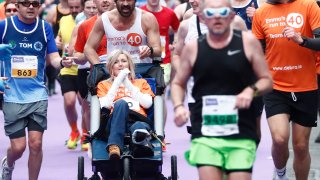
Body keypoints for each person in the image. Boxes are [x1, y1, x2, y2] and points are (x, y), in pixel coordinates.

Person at [171, 0, 273, 179]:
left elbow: (266, 81)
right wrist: (179, 106)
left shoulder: (248, 42)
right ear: (203, 17)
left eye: (223, 13)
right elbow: (178, 83)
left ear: (232, 16)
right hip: (206, 130)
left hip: (240, 128)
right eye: (211, 14)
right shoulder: (193, 48)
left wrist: (251, 91)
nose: (217, 18)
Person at [0, 0, 74, 179]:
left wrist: (62, 62)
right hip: (11, 94)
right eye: (26, 3)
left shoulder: (44, 27)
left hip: (37, 94)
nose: (31, 7)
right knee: (18, 148)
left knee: (36, 144)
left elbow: (54, 57)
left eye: (34, 3)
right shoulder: (4, 26)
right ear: (17, 6)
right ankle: (8, 163)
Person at [252, 0, 320, 179]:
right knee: (280, 138)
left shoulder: (309, 5)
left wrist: (302, 40)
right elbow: (257, 52)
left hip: (306, 87)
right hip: (275, 88)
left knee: (301, 146)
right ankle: (281, 175)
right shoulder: (261, 12)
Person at [97, 49, 155, 159]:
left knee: (140, 127)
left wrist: (127, 83)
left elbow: (147, 104)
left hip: (137, 119)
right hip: (113, 122)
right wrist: (118, 81)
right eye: (116, 62)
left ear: (129, 65)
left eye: (123, 61)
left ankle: (140, 145)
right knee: (121, 103)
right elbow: (105, 106)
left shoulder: (141, 82)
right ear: (110, 67)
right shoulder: (103, 84)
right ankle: (114, 146)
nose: (120, 64)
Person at [84, 0, 161, 65]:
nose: (125, 3)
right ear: (115, 1)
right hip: (114, 74)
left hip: (142, 72)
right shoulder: (104, 19)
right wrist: (99, 67)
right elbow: (88, 48)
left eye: (129, 0)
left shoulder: (147, 18)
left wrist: (150, 51)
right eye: (121, 0)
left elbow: (157, 50)